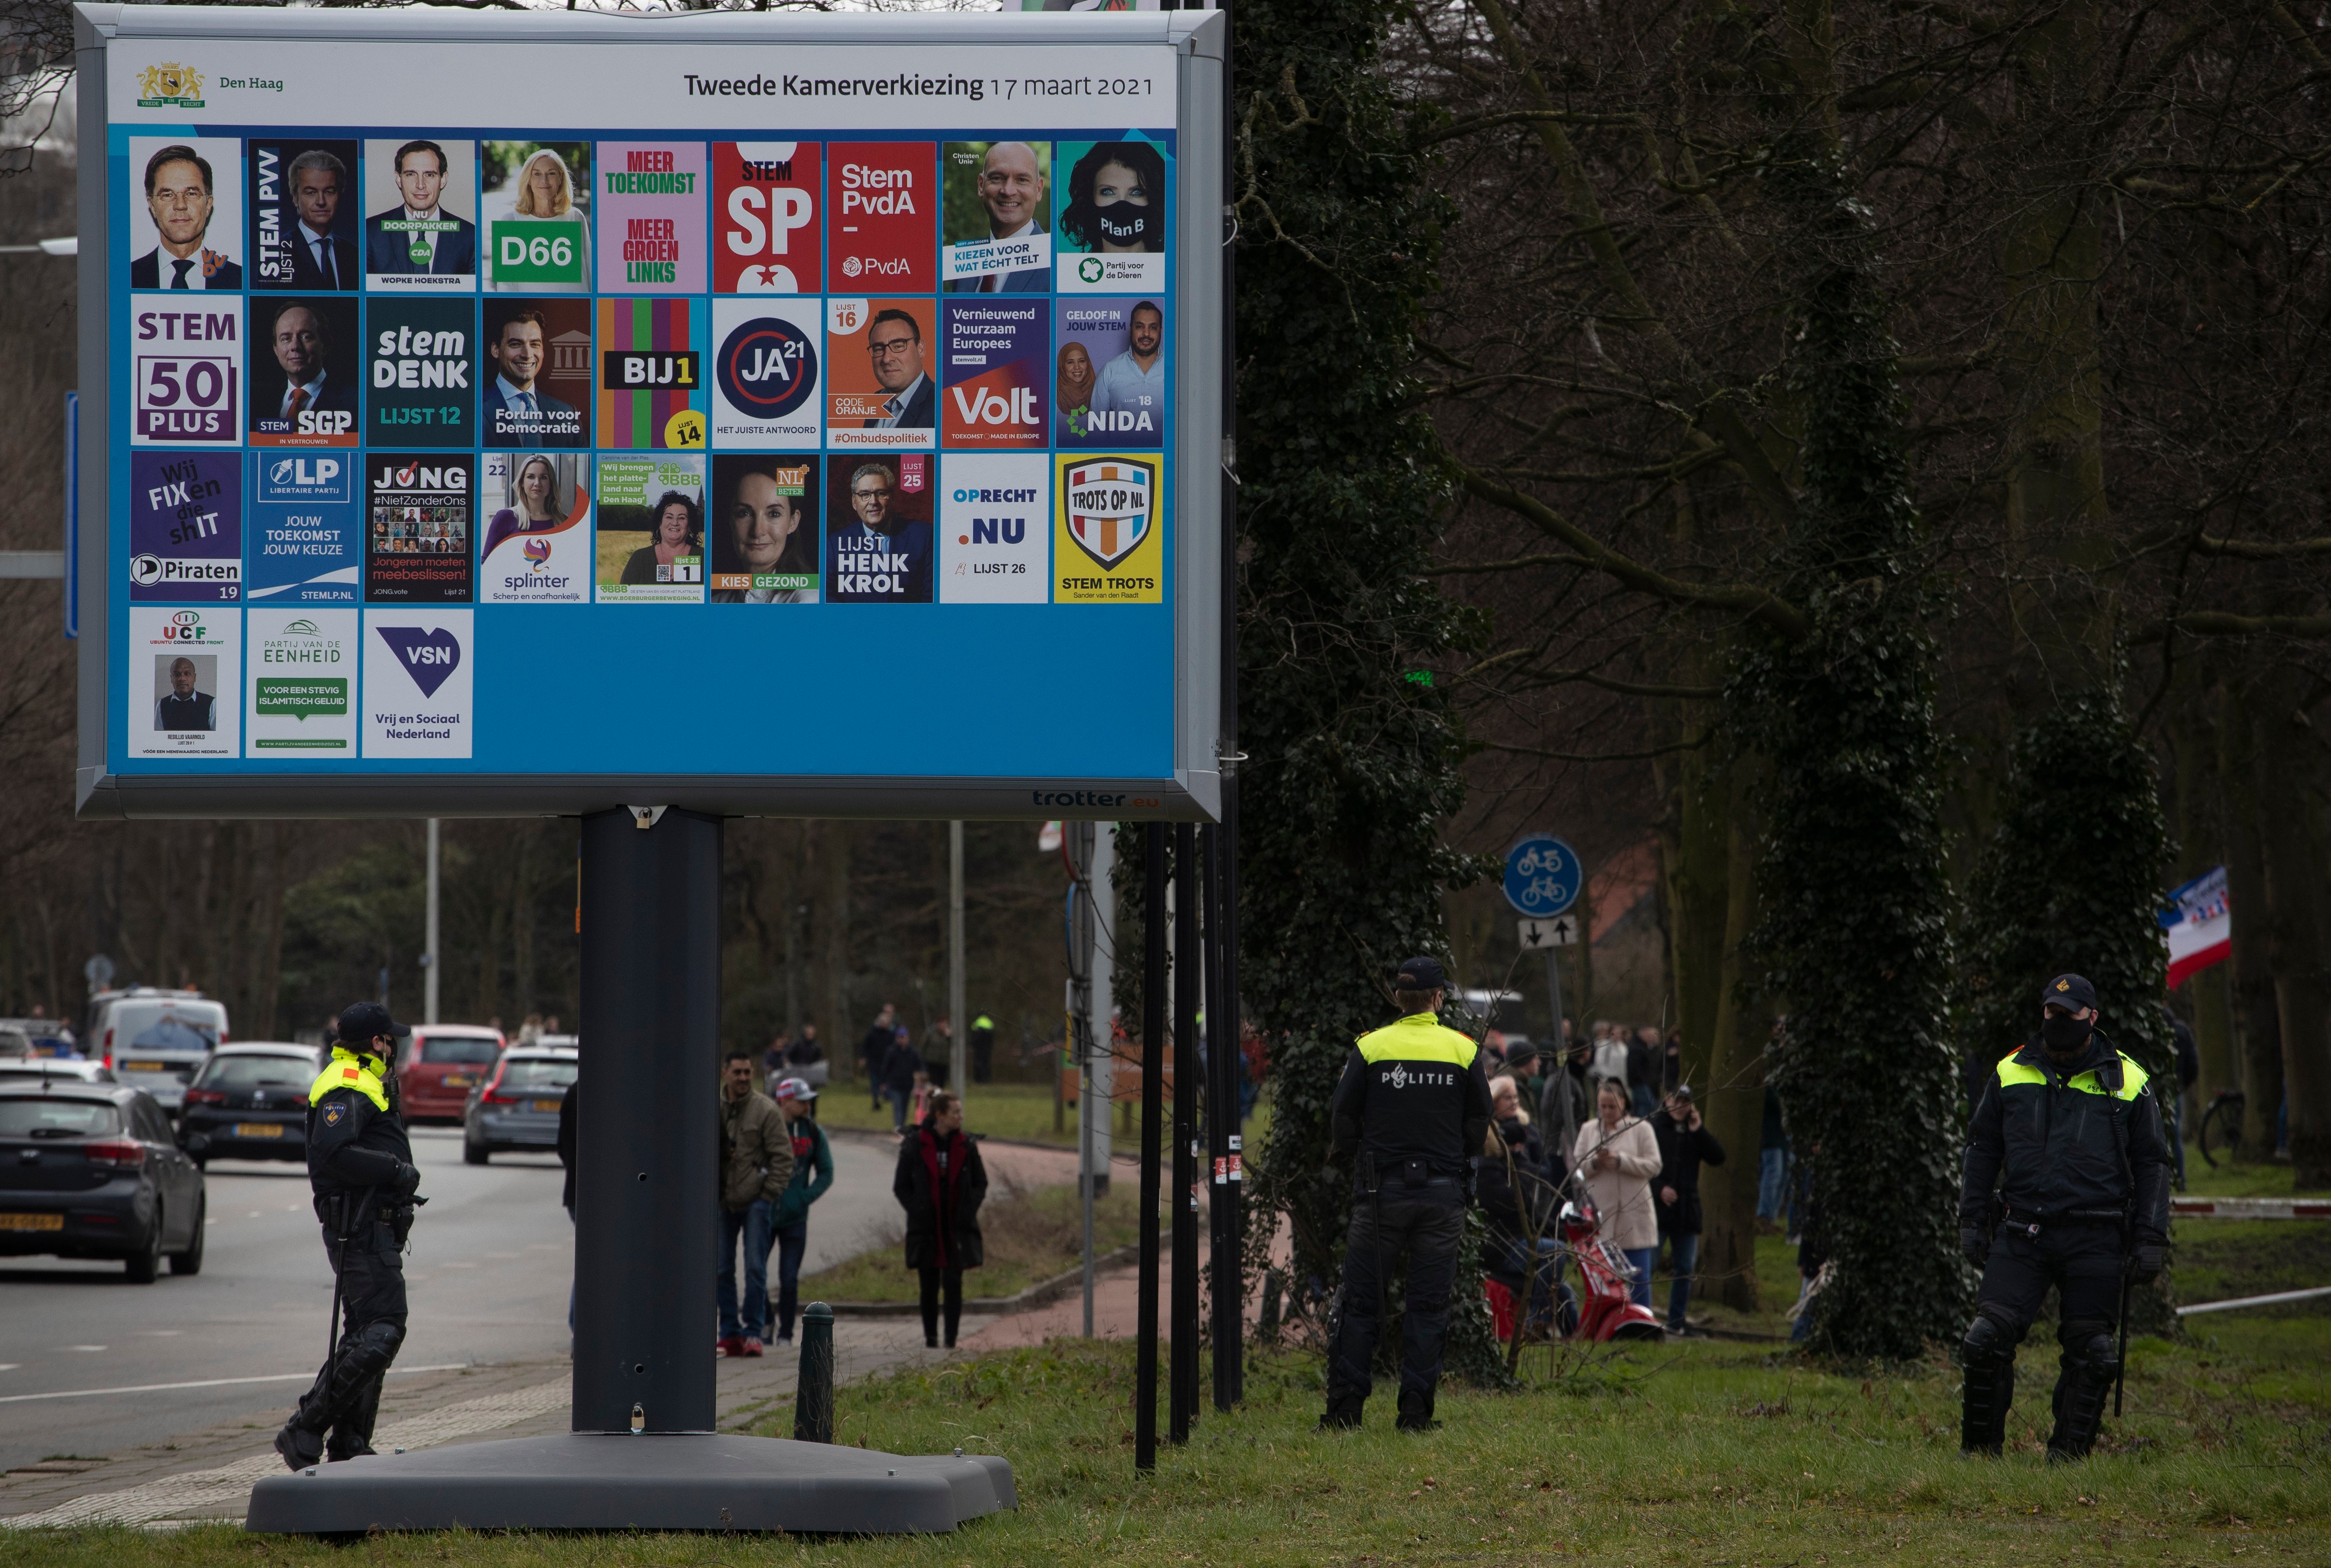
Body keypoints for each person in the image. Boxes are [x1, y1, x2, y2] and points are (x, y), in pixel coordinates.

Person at [1959, 973, 2170, 1462]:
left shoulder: (2129, 1081)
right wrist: (1971, 1218)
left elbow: (2152, 1163)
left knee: (2094, 1354)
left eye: (2068, 1014)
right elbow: (1981, 1147)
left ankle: (2067, 1462)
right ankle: (1977, 1458)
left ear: (2092, 1019)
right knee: (1984, 1340)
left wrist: (2150, 1237)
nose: (2057, 1022)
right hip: (2022, 1230)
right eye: (2051, 1012)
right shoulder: (2011, 1071)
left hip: (2097, 1235)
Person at [1319, 956, 1493, 1433]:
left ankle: (1345, 1413)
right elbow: (1479, 1122)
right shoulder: (1462, 1049)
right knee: (1429, 1305)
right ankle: (1415, 1414)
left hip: (1380, 1194)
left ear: (1398, 997)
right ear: (1438, 999)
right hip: (1442, 1197)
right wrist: (1452, 1157)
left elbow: (1342, 1118)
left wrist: (1366, 1155)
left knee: (1358, 1304)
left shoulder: (1371, 1047)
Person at [274, 1002, 422, 1469]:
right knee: (383, 1329)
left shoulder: (362, 1079)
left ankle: (351, 1444)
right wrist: (396, 1170)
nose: (394, 1045)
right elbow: (333, 1153)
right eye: (390, 1038)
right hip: (358, 1227)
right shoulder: (349, 1083)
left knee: (367, 1332)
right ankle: (306, 1428)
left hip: (368, 1226)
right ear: (378, 1043)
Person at [892, 1090, 987, 1349]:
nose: (961, 1116)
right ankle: (931, 1339)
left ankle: (951, 1340)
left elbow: (981, 1182)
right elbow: (901, 1186)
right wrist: (918, 1209)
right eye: (956, 1112)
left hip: (956, 1227)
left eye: (961, 1111)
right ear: (940, 1115)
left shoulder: (966, 1146)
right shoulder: (915, 1144)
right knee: (929, 1285)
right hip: (927, 1227)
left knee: (954, 1283)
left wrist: (969, 1209)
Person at [717, 1048, 794, 1358]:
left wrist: (768, 1194)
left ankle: (753, 1331)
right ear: (725, 1073)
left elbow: (783, 1157)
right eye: (737, 1072)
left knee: (754, 1267)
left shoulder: (766, 1110)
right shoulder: (713, 1109)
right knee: (721, 1268)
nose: (744, 1078)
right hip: (722, 1202)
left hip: (756, 1202)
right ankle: (729, 1331)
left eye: (748, 1072)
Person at [1475, 1073, 1560, 1336]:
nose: (1514, 1102)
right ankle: (1533, 1325)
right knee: (1553, 1253)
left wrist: (1521, 1160)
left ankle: (1551, 1327)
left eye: (1515, 1097)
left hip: (1526, 1228)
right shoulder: (1487, 1157)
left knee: (1566, 1300)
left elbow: (1542, 1171)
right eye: (1506, 1097)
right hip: (1502, 1242)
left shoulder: (1525, 1129)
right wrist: (1520, 1163)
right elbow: (1512, 1200)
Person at [1571, 1077, 1661, 1308]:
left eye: (1612, 1106)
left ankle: (1642, 1322)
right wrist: (1596, 1163)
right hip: (1603, 1216)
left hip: (1635, 1215)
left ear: (1624, 1103)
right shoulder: (1589, 1129)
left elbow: (1654, 1165)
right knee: (1605, 1279)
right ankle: (1609, 1323)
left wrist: (1622, 1162)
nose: (1607, 1111)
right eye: (1603, 1106)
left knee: (1639, 1278)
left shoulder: (1641, 1129)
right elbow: (1576, 1168)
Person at [1649, 1085, 1725, 1334]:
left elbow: (1717, 1157)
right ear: (1667, 1100)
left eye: (1686, 1102)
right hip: (1659, 1210)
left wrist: (1699, 1130)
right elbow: (1644, 1169)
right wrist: (1660, 1189)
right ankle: (1644, 1316)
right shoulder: (1654, 1127)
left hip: (1686, 1212)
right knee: (1648, 1265)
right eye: (1676, 1100)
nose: (1681, 1106)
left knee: (1685, 1268)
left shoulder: (1695, 1132)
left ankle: (1676, 1322)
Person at [766, 1077, 834, 1348]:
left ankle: (786, 1334)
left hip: (796, 1219)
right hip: (764, 1214)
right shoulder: (768, 1128)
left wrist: (804, 1198)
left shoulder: (814, 1133)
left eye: (809, 1101)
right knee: (756, 1273)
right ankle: (765, 1322)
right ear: (784, 1101)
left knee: (790, 1279)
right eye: (801, 1101)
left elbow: (826, 1172)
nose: (807, 1105)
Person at [131, 144, 241, 289]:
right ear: (153, 206)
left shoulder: (240, 280)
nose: (181, 205)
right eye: (168, 195)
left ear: (208, 204)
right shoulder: (127, 277)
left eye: (191, 193)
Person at [947, 141, 1049, 294]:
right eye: (997, 178)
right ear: (981, 185)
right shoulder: (965, 262)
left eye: (1022, 180)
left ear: (1039, 189)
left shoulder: (1056, 264)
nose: (1008, 191)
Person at [365, 140, 476, 277]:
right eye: (411, 174)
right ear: (399, 179)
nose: (420, 185)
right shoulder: (369, 233)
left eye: (429, 175)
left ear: (443, 179)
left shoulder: (470, 237)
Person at [712, 462, 818, 603]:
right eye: (744, 513)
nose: (758, 531)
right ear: (730, 520)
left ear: (793, 522)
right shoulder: (717, 602)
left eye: (774, 514)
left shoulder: (807, 600)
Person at [491, 147, 591, 291]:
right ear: (529, 180)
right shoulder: (510, 221)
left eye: (551, 174)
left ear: (560, 178)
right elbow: (506, 285)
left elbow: (588, 272)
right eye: (537, 174)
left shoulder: (575, 218)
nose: (544, 180)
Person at [484, 308, 584, 447]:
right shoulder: (474, 410)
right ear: (496, 350)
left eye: (535, 344)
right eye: (516, 344)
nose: (527, 354)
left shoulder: (567, 415)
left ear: (542, 351)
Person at [1058, 141, 1167, 255]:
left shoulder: (1169, 267)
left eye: (1137, 192)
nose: (1122, 204)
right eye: (1108, 192)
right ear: (1090, 198)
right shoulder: (1072, 270)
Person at [258, 301, 354, 429]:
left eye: (305, 337)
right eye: (286, 339)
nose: (295, 347)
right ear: (276, 349)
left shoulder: (354, 403)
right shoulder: (259, 403)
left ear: (326, 345)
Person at [286, 148, 357, 291]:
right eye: (311, 193)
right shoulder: (276, 252)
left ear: (339, 195)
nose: (321, 201)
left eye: (329, 192)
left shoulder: (355, 255)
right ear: (296, 198)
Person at [1088, 300, 1164, 431]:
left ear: (1161, 331)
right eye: (1140, 327)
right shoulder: (1110, 370)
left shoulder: (1175, 371)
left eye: (1153, 328)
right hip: (1120, 452)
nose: (1146, 334)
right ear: (1131, 330)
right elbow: (1095, 428)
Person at [861, 311, 934, 428]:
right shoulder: (876, 400)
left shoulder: (941, 404)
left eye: (898, 346)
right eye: (879, 349)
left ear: (920, 349)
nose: (887, 359)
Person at [621, 491, 702, 585]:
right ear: (660, 523)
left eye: (682, 518)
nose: (675, 523)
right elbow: (623, 597)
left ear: (689, 525)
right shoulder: (640, 558)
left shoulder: (703, 556)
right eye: (669, 517)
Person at [2164, 1002, 2199, 1189]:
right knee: (2175, 1132)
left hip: (2159, 1087)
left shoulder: (2156, 1030)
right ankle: (2181, 1179)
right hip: (2176, 1089)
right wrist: (2184, 1085)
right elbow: (2193, 1063)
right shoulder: (2182, 1030)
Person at [557, 1075, 578, 1336]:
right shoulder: (613, 1095)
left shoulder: (575, 1090)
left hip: (575, 1190)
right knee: (596, 1262)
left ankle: (578, 1334)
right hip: (593, 1194)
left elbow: (561, 1145)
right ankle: (580, 1333)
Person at [1757, 1084, 1791, 1230]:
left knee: (1783, 1177)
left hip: (1781, 1138)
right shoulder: (1766, 1089)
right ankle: (1765, 1216)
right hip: (1770, 1140)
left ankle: (1771, 1217)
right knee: (1773, 1176)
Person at [882, 1026, 924, 1133]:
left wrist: (921, 1077)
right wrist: (883, 1082)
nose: (902, 1039)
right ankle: (898, 1126)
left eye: (904, 1037)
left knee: (905, 1106)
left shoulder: (913, 1052)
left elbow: (920, 1066)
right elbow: (886, 1067)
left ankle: (902, 1127)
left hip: (907, 1084)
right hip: (894, 1084)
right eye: (900, 1037)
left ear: (908, 1038)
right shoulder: (892, 1051)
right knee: (898, 1105)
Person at [156, 657, 216, 731]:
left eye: (187, 674)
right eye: (177, 675)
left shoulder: (211, 704)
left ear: (194, 677)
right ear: (172, 679)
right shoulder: (162, 705)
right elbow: (159, 739)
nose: (182, 678)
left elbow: (217, 739)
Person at [1055, 342, 1097, 441]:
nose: (1077, 367)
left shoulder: (1100, 390)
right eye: (1070, 362)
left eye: (1082, 361)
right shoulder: (1051, 393)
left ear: (1088, 363)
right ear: (1062, 365)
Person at [860, 1003, 897, 1110]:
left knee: (884, 1081)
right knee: (875, 1082)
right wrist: (864, 1057)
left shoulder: (891, 1034)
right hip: (874, 1062)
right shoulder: (872, 1033)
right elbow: (866, 1046)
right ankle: (876, 1101)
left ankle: (885, 1097)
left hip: (886, 1062)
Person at [922, 1017, 954, 1091]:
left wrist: (949, 1037)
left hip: (943, 1063)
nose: (944, 1026)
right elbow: (923, 1046)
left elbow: (953, 1047)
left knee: (941, 1084)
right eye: (942, 1024)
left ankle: (938, 1098)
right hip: (932, 1063)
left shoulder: (948, 1035)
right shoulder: (931, 1033)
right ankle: (933, 1099)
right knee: (933, 1083)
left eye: (946, 1024)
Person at [969, 1014, 996, 1085]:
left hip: (979, 1049)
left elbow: (975, 1038)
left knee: (978, 1064)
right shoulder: (989, 1023)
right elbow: (992, 1038)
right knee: (986, 1064)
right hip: (987, 1049)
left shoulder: (977, 1023)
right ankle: (986, 1080)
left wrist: (973, 1045)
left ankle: (978, 1080)